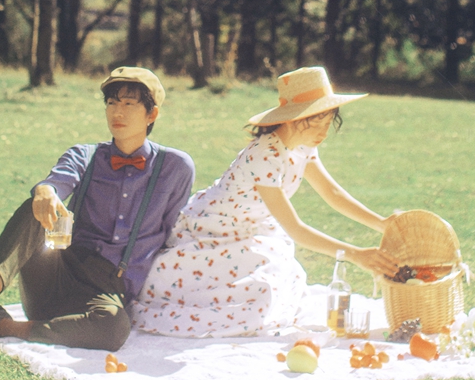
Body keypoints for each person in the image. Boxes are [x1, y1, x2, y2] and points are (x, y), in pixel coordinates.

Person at [0, 67, 195, 364]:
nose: (117, 112)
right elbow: (58, 180)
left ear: (152, 114)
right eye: (111, 103)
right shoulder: (85, 154)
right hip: (56, 273)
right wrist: (46, 190)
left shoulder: (176, 168)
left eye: (129, 104)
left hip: (107, 289)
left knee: (114, 329)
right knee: (35, 208)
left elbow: (172, 233)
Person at [131, 66, 399, 337]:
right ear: (293, 118)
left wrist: (383, 224)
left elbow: (333, 194)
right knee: (258, 302)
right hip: (213, 232)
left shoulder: (304, 145)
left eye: (328, 122)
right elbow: (295, 229)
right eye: (316, 122)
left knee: (283, 282)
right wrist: (355, 254)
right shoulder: (265, 155)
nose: (323, 132)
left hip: (252, 229)